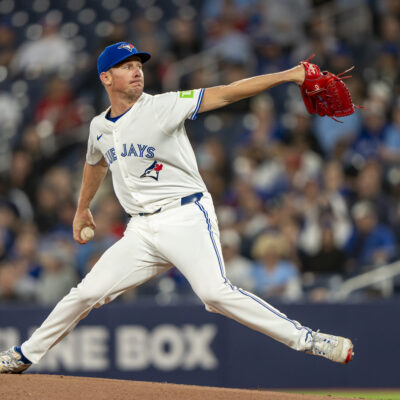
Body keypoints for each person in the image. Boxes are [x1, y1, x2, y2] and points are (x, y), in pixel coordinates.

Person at [0, 42, 354, 374]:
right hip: (140, 229)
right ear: (106, 78)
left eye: (139, 65)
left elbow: (227, 91)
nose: (137, 71)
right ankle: (25, 355)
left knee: (214, 294)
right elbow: (96, 162)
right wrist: (82, 208)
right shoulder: (98, 127)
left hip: (185, 216)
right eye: (126, 66)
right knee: (87, 292)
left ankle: (308, 340)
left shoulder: (162, 105)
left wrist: (289, 75)